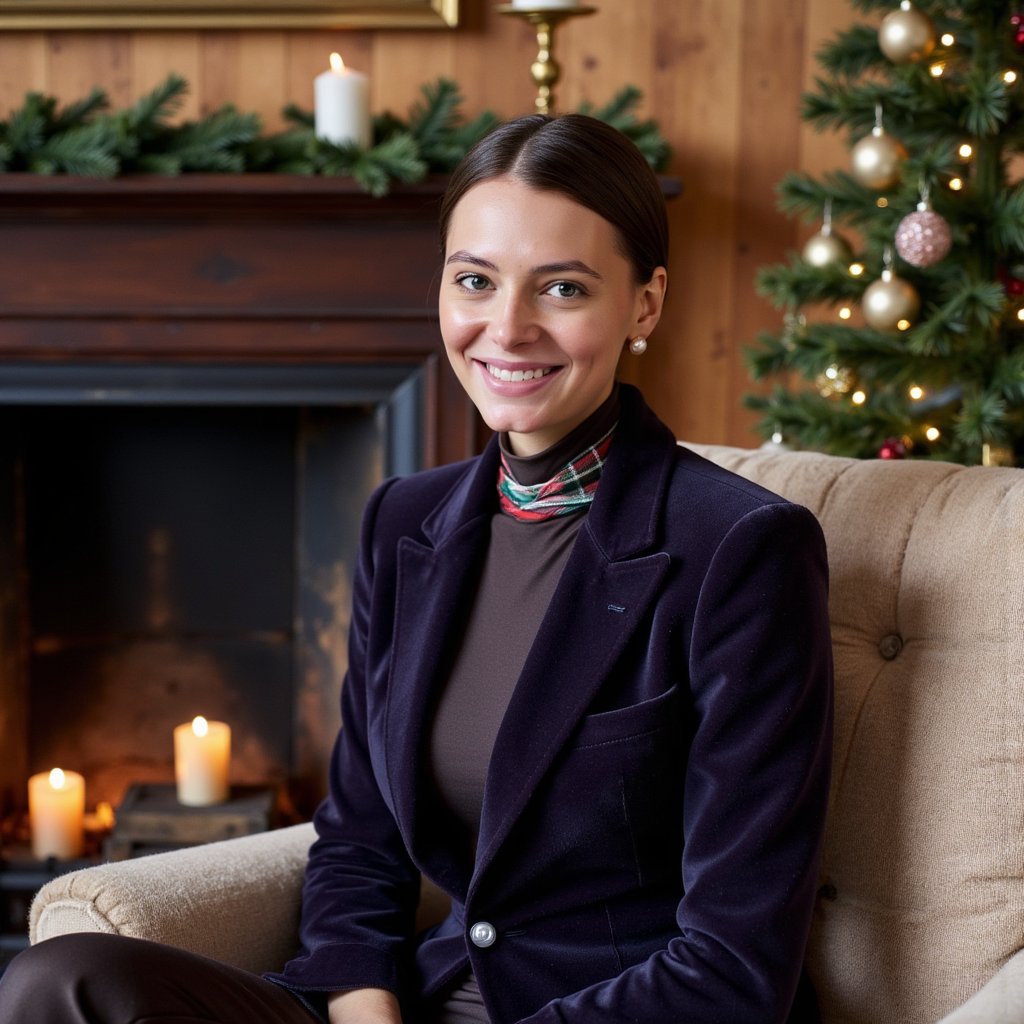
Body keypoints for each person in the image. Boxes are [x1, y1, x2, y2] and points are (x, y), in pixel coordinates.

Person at [0, 113, 832, 1024]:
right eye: (475, 280)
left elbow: (733, 962)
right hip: (418, 1004)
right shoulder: (405, 522)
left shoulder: (742, 549)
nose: (506, 329)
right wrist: (365, 1010)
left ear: (645, 304)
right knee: (59, 981)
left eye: (561, 288)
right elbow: (360, 840)